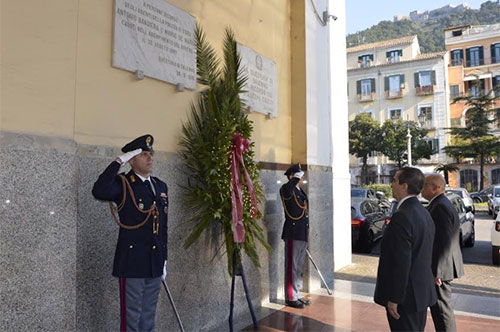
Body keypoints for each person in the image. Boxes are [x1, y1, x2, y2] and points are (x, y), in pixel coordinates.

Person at [92, 134, 168, 332]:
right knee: (131, 319)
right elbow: (99, 191)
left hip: (155, 262)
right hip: (132, 263)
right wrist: (119, 161)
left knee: (148, 317)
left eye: (150, 153)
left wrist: (164, 259)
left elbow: (163, 226)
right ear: (132, 159)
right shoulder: (123, 184)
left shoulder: (160, 186)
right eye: (143, 154)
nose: (150, 157)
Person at [374, 167, 437, 331]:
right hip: (419, 293)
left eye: (394, 180)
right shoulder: (423, 212)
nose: (391, 184)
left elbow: (401, 261)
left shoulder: (403, 216)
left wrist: (394, 298)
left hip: (405, 297)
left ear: (404, 186)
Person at [421, 174, 464, 332]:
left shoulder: (440, 206)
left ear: (435, 188)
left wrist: (437, 271)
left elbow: (443, 241)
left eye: (425, 185)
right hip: (442, 266)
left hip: (441, 268)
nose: (422, 188)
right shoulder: (440, 203)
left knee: (442, 310)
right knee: (439, 309)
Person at [280, 164, 310, 309]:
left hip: (301, 232)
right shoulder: (286, 188)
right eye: (299, 175)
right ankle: (291, 297)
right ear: (292, 176)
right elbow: (287, 190)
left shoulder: (299, 190)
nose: (301, 177)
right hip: (292, 232)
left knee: (298, 267)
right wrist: (293, 179)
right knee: (292, 265)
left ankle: (297, 294)